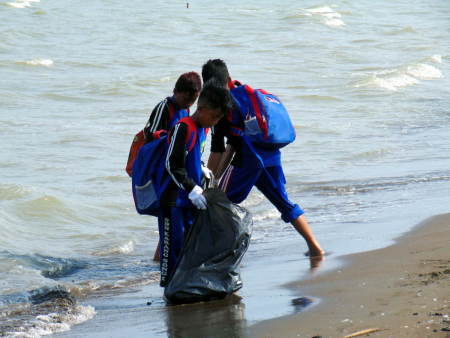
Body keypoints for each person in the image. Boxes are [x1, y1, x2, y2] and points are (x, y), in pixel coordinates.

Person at [202, 59, 325, 260]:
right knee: (284, 203)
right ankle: (315, 247)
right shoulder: (246, 95)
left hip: (249, 160)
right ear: (229, 79)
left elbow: (220, 151)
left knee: (219, 204)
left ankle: (225, 256)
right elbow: (235, 143)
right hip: (270, 155)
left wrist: (210, 184)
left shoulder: (219, 106)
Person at [158, 80, 232, 287]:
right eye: (214, 116)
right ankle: (169, 289)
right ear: (201, 108)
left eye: (219, 118)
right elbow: (172, 165)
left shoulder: (202, 130)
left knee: (189, 245)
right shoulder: (183, 127)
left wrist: (202, 168)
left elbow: (192, 156)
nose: (215, 122)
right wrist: (191, 188)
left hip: (191, 200)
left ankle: (186, 286)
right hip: (172, 200)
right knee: (172, 247)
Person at [144, 71, 201, 261]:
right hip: (162, 169)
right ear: (176, 91)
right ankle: (159, 260)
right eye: (186, 99)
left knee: (172, 220)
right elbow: (151, 135)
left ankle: (160, 259)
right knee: (167, 216)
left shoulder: (185, 110)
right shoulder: (164, 107)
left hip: (176, 171)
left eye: (193, 101)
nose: (189, 105)